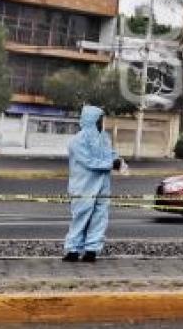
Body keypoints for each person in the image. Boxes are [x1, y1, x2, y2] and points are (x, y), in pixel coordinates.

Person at [62, 105, 123, 263]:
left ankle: (91, 250)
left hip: (102, 185)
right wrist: (111, 164)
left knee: (99, 218)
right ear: (90, 119)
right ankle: (73, 250)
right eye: (99, 119)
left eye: (102, 119)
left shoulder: (104, 138)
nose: (101, 122)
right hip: (83, 186)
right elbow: (89, 162)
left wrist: (120, 162)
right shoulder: (77, 141)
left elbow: (112, 155)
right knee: (80, 217)